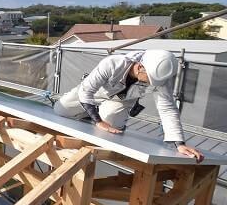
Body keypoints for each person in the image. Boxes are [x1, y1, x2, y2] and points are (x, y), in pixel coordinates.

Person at [53, 49, 204, 162]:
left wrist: (179, 143)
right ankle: (90, 113)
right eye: (149, 79)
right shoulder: (113, 63)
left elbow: (168, 109)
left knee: (111, 129)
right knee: (61, 109)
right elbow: (86, 91)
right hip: (95, 93)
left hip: (121, 101)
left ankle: (98, 115)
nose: (152, 84)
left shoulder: (160, 79)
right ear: (139, 67)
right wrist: (98, 121)